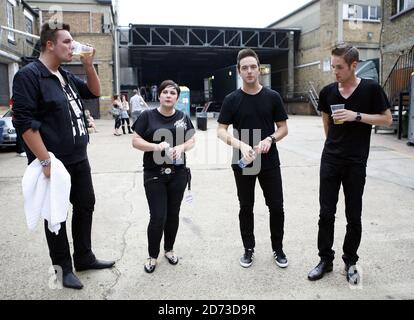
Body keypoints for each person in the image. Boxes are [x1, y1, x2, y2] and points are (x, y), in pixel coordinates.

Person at [12, 22, 115, 290]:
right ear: (49, 45)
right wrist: (44, 160)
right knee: (55, 216)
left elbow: (94, 92)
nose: (73, 47)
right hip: (53, 161)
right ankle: (62, 269)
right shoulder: (29, 75)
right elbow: (23, 122)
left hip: (79, 156)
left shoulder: (65, 75)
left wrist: (90, 65)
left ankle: (84, 257)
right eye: (67, 42)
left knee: (85, 205)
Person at [307, 44, 392, 283]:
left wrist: (357, 116)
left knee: (353, 215)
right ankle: (325, 260)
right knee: (326, 213)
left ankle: (350, 261)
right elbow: (327, 124)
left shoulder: (371, 90)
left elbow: (387, 119)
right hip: (331, 160)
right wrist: (334, 147)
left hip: (356, 161)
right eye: (333, 66)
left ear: (354, 66)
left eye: (340, 67)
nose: (335, 71)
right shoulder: (327, 92)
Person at [217, 48, 289, 269]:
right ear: (239, 71)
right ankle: (248, 248)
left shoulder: (272, 97)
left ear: (259, 69)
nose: (249, 71)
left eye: (253, 67)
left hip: (268, 160)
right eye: (244, 68)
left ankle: (278, 248)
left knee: (276, 207)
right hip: (244, 160)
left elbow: (283, 128)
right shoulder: (232, 100)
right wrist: (241, 145)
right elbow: (221, 130)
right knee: (246, 207)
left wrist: (270, 139)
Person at [132, 80, 195, 273]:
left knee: (173, 215)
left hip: (178, 174)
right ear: (159, 95)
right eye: (165, 92)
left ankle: (169, 249)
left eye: (173, 93)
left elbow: (192, 139)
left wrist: (181, 147)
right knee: (158, 216)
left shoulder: (183, 117)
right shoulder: (147, 116)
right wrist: (155, 147)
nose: (169, 95)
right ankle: (152, 255)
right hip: (154, 174)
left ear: (177, 97)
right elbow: (135, 141)